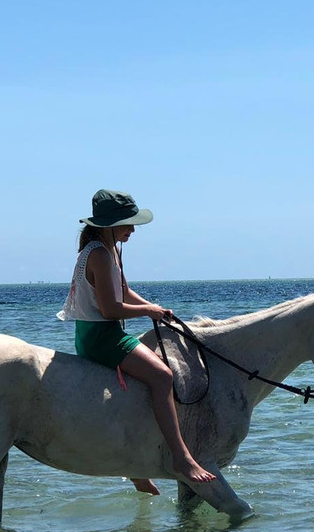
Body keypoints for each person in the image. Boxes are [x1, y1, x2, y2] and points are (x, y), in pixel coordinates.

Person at [57, 189, 216, 495]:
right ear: (110, 225)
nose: (132, 229)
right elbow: (110, 309)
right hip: (101, 337)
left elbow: (124, 292)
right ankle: (182, 459)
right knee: (162, 376)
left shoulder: (107, 249)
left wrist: (154, 309)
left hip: (103, 332)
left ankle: (137, 470)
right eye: (128, 223)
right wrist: (147, 311)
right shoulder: (100, 255)